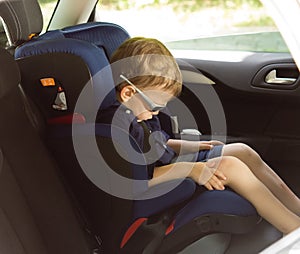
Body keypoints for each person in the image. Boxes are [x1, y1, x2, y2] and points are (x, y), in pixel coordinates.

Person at [97, 36, 300, 235]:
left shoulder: (139, 111)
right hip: (156, 183)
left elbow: (157, 141)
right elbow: (137, 179)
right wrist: (191, 169)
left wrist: (190, 146)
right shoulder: (117, 127)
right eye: (156, 106)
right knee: (230, 165)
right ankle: (292, 227)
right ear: (128, 94)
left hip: (170, 163)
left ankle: (296, 207)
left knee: (242, 151)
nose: (158, 111)